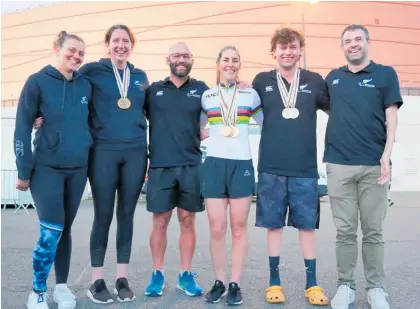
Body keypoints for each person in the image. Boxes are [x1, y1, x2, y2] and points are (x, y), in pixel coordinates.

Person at [324, 25, 402, 309]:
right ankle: (345, 286)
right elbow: (304, 99)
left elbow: (391, 117)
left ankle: (376, 289)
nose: (353, 44)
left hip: (373, 166)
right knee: (344, 232)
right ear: (342, 46)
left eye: (358, 39)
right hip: (339, 165)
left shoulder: (385, 74)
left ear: (369, 42)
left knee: (373, 231)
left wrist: (387, 155)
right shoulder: (332, 78)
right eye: (347, 41)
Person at [252, 27, 330, 306]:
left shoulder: (315, 80)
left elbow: (338, 110)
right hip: (271, 166)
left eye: (293, 47)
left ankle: (312, 283)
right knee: (274, 226)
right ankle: (274, 282)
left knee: (306, 227)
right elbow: (241, 107)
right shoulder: (261, 81)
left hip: (305, 168)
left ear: (300, 50)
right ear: (273, 51)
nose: (287, 52)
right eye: (282, 47)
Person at [14, 31, 92, 309]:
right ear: (57, 49)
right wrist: (24, 171)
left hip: (78, 169)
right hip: (46, 168)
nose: (77, 56)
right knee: (51, 229)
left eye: (82, 52)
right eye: (72, 50)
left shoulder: (85, 85)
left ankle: (61, 287)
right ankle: (36, 291)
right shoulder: (37, 82)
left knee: (66, 229)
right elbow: (22, 127)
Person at [81, 25, 149, 304]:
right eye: (115, 41)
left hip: (135, 151)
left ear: (131, 45)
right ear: (107, 45)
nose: (121, 45)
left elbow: (154, 110)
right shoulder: (91, 71)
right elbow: (69, 91)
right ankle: (97, 281)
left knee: (127, 215)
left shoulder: (141, 76)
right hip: (103, 151)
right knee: (103, 214)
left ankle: (122, 278)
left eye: (126, 41)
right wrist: (42, 115)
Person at [143, 42, 208, 298]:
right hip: (160, 165)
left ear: (191, 60)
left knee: (187, 220)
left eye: (185, 56)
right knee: (160, 221)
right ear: (168, 59)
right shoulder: (154, 91)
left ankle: (185, 275)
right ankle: (157, 274)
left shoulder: (202, 89)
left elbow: (219, 109)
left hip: (191, 165)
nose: (181, 60)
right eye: (176, 55)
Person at [200, 46, 263, 306]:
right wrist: (212, 139)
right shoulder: (207, 96)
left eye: (235, 60)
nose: (230, 64)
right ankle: (219, 281)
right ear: (218, 63)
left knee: (238, 228)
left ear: (239, 64)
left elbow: (267, 124)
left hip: (242, 165)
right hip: (214, 164)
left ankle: (235, 283)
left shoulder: (251, 94)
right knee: (217, 227)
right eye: (225, 59)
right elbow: (198, 128)